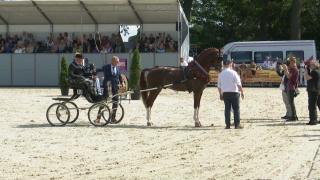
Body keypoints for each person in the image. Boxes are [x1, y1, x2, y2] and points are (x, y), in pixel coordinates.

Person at [218, 59, 245, 129]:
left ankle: (227, 125)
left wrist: (220, 94)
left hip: (225, 93)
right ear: (230, 64)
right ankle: (237, 125)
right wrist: (242, 92)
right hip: (234, 93)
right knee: (236, 109)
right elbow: (239, 84)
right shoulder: (234, 73)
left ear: (224, 65)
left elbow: (219, 86)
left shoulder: (221, 74)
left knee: (227, 109)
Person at [98, 56, 124, 122]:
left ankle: (113, 118)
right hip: (107, 87)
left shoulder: (118, 68)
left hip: (115, 88)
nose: (117, 63)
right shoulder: (106, 67)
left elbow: (120, 76)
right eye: (116, 62)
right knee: (103, 102)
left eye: (118, 62)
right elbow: (100, 70)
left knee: (116, 102)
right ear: (112, 61)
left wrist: (122, 82)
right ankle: (98, 118)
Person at [281, 56, 299, 121]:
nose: (289, 62)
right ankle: (293, 116)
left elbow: (288, 76)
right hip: (290, 87)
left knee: (291, 103)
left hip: (292, 87)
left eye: (290, 61)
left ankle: (294, 116)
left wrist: (285, 68)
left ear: (292, 61)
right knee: (290, 102)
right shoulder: (292, 68)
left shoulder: (294, 69)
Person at [304, 60, 320, 125]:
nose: (310, 66)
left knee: (312, 106)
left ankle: (313, 120)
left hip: (313, 91)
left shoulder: (314, 72)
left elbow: (306, 77)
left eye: (311, 65)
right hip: (317, 90)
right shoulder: (318, 71)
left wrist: (305, 70)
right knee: (318, 105)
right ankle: (314, 120)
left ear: (314, 65)